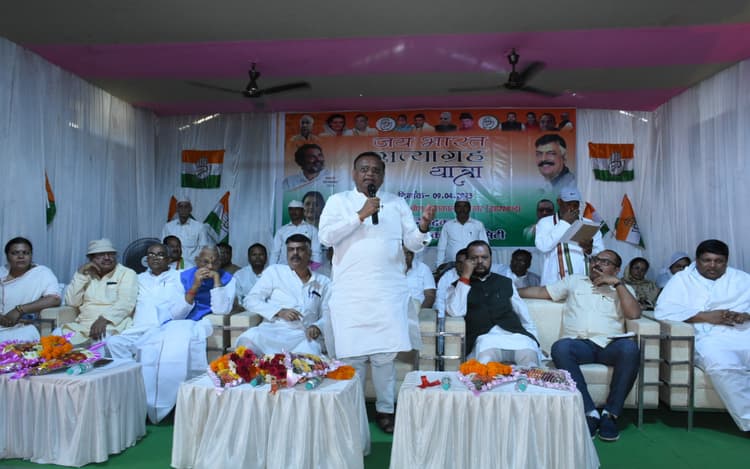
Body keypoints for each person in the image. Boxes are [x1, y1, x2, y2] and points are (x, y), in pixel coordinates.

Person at [318, 151, 435, 434]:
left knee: (384, 358)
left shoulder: (396, 203)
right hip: (351, 294)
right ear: (354, 173)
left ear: (383, 175)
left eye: (375, 170)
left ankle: (385, 411)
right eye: (364, 169)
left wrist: (423, 227)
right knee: (352, 358)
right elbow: (325, 237)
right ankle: (353, 412)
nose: (370, 174)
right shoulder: (338, 202)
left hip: (387, 293)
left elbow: (413, 243)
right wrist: (360, 215)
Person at [519, 249, 641, 441]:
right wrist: (509, 290)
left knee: (630, 348)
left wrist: (617, 284)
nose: (597, 264)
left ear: (617, 269)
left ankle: (610, 414)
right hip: (579, 344)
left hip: (609, 344)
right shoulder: (575, 280)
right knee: (560, 347)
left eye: (605, 262)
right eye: (595, 260)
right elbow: (543, 292)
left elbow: (633, 314)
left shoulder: (622, 289)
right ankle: (589, 412)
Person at [655, 239, 750, 431]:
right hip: (708, 338)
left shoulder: (742, 279)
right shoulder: (682, 280)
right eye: (707, 260)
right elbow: (663, 311)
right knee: (723, 365)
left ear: (726, 261)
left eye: (719, 261)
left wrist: (745, 315)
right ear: (697, 260)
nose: (712, 265)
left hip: (743, 332)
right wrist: (706, 316)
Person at [106, 242, 207, 423]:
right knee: (114, 343)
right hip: (138, 328)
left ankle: (155, 405)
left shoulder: (179, 276)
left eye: (160, 255)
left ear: (169, 259)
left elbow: (185, 306)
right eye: (151, 255)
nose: (155, 258)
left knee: (157, 354)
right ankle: (133, 392)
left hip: (165, 328)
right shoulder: (137, 278)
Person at [447, 241, 541, 366]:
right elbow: (455, 312)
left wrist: (534, 341)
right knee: (485, 368)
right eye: (474, 258)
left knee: (531, 364)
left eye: (484, 257)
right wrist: (465, 276)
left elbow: (525, 317)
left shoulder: (505, 282)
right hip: (485, 339)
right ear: (467, 262)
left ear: (491, 259)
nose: (480, 261)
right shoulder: (458, 286)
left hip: (516, 337)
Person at [235, 234, 330, 355]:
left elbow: (329, 313)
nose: (295, 253)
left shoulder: (323, 282)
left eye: (300, 249)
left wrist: (317, 326)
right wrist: (279, 311)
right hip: (274, 331)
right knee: (247, 340)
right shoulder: (275, 272)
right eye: (291, 249)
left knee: (309, 357)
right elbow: (250, 300)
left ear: (309, 253)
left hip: (303, 335)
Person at [61, 239, 138, 345]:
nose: (107, 258)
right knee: (56, 338)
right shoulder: (86, 274)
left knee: (99, 344)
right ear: (91, 258)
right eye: (101, 255)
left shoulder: (127, 273)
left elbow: (126, 302)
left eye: (110, 254)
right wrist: (80, 274)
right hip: (83, 326)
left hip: (111, 325)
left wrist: (104, 319)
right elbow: (72, 302)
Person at [535, 187, 603, 286]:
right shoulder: (545, 222)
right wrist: (565, 223)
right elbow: (543, 247)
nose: (572, 208)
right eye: (568, 204)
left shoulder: (589, 224)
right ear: (559, 202)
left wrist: (589, 250)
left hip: (583, 280)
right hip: (554, 282)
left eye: (575, 204)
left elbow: (601, 253)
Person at [0, 237, 61, 343]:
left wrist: (19, 310)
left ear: (31, 255)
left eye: (26, 253)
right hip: (2, 324)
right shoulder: (1, 272)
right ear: (7, 256)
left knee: (26, 335)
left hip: (22, 326)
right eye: (15, 253)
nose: (21, 256)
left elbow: (54, 299)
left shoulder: (42, 273)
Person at [179, 246, 236, 321]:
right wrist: (195, 286)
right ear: (197, 260)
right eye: (206, 262)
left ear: (220, 262)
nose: (210, 267)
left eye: (215, 263)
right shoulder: (182, 277)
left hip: (210, 322)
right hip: (183, 321)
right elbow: (177, 313)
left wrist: (217, 279)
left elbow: (221, 310)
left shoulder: (228, 279)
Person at [435, 198, 489, 267]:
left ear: (469, 208)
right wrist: (439, 265)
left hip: (474, 265)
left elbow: (485, 246)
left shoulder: (478, 225)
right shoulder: (447, 225)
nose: (462, 209)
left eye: (465, 206)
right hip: (452, 265)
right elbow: (441, 248)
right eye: (459, 206)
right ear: (454, 209)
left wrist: (485, 265)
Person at [270, 200, 322, 265]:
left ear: (303, 211)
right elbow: (275, 253)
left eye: (296, 209)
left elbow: (316, 252)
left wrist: (313, 269)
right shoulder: (281, 231)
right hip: (284, 268)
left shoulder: (312, 230)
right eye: (291, 209)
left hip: (304, 268)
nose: (293, 212)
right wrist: (271, 269)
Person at [161, 197, 211, 263]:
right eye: (180, 207)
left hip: (192, 264)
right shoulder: (168, 226)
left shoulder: (199, 226)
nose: (183, 209)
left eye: (186, 207)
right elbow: (163, 246)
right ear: (177, 209)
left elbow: (203, 248)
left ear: (190, 209)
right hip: (172, 264)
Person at [434, 249, 467, 318]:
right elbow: (440, 300)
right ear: (455, 263)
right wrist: (441, 318)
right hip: (450, 316)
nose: (462, 266)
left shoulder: (477, 275)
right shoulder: (447, 276)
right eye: (459, 262)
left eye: (465, 263)